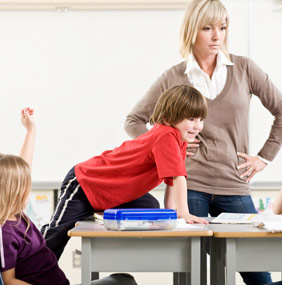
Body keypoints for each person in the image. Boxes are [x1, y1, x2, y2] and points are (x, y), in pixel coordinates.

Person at [124, 0, 282, 285]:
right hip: (190, 186)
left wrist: (264, 158)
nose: (217, 36)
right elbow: (134, 121)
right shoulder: (174, 76)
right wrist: (170, 147)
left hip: (234, 185)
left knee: (257, 275)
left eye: (223, 28)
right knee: (193, 276)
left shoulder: (244, 68)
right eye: (208, 28)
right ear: (192, 30)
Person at [42, 85, 209, 260]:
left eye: (201, 119)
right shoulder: (166, 136)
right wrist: (184, 213)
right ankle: (28, 274)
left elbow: (172, 182)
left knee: (150, 207)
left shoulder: (178, 140)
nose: (198, 126)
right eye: (191, 119)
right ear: (168, 118)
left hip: (113, 191)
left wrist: (174, 217)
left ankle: (101, 213)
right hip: (86, 182)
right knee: (56, 234)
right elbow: (179, 178)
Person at [0, 154, 139, 285]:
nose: (29, 190)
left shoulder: (20, 217)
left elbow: (21, 165)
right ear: (14, 190)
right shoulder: (4, 233)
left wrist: (31, 132)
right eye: (26, 185)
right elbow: (8, 283)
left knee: (128, 284)